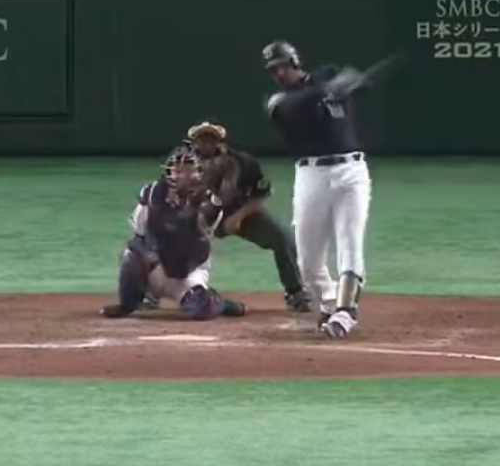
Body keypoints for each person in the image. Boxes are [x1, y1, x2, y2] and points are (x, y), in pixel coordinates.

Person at [260, 40, 385, 338]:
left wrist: (349, 83)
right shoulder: (278, 102)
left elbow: (362, 84)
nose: (279, 73)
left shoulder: (327, 76)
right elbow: (296, 106)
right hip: (311, 175)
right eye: (273, 70)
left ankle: (345, 312)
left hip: (352, 172)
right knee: (308, 261)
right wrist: (324, 92)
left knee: (350, 242)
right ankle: (330, 305)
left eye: (282, 66)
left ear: (294, 62)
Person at [102, 146, 247, 320]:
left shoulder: (208, 201)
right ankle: (129, 304)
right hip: (156, 265)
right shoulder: (153, 193)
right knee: (131, 255)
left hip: (187, 272)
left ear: (199, 174)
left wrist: (217, 199)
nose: (182, 175)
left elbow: (205, 222)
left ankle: (219, 303)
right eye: (177, 170)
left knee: (200, 310)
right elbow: (138, 233)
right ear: (169, 172)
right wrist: (149, 255)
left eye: (188, 170)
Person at [184, 120, 310, 312]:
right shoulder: (182, 163)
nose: (206, 143)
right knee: (164, 236)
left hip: (237, 212)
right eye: (201, 139)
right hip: (197, 216)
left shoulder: (242, 162)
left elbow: (262, 193)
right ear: (193, 142)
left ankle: (296, 292)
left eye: (211, 139)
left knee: (282, 239)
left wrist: (239, 216)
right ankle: (152, 292)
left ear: (220, 141)